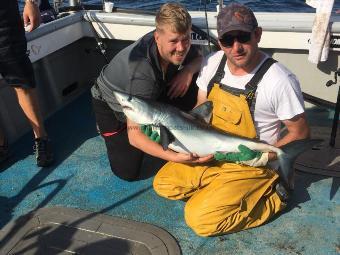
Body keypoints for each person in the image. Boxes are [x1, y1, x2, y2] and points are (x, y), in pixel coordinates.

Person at [153, 2, 310, 236]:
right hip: (213, 155)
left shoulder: (279, 80)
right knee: (163, 183)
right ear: (220, 42)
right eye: (228, 40)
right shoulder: (212, 63)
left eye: (243, 37)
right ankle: (220, 190)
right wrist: (171, 130)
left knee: (200, 221)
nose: (236, 47)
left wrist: (262, 157)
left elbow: (301, 133)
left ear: (257, 35)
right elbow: (199, 109)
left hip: (251, 163)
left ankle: (276, 196)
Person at [91, 3, 212, 181]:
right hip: (113, 104)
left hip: (155, 91)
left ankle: (183, 130)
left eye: (185, 39)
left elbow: (200, 59)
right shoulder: (142, 73)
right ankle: (107, 129)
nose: (181, 48)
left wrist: (186, 72)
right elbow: (135, 137)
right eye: (174, 42)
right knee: (127, 172)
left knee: (196, 78)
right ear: (157, 38)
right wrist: (176, 157)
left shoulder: (177, 39)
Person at [0, 0, 53, 166]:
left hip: (4, 19)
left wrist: (31, 3)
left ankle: (41, 138)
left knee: (21, 81)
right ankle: (1, 147)